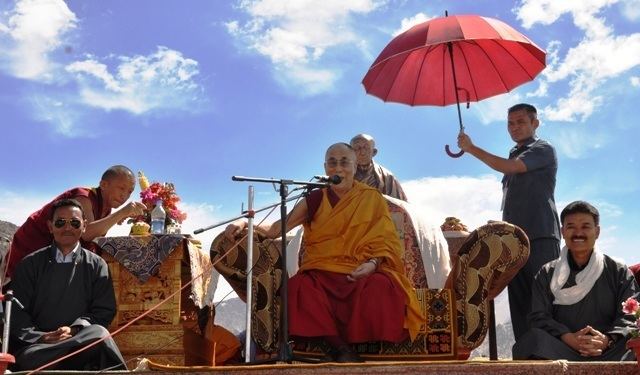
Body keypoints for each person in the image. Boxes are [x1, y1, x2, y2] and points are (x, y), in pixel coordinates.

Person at [225, 143, 424, 362]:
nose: (338, 167)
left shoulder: (371, 198)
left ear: (355, 165)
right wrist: (247, 224)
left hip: (360, 271)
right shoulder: (315, 198)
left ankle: (350, 343)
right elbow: (276, 228)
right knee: (298, 288)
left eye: (344, 162)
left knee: (383, 287)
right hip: (321, 273)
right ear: (325, 167)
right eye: (332, 162)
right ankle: (339, 347)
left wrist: (372, 265)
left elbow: (385, 241)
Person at [457, 103, 561, 340]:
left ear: (535, 123)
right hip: (515, 243)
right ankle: (524, 358)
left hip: (540, 236)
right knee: (520, 301)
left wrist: (471, 148)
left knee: (543, 299)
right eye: (510, 123)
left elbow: (511, 167)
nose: (515, 127)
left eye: (521, 122)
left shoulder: (543, 149)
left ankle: (550, 358)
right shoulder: (515, 153)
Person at [9, 199, 127, 371]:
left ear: (84, 225)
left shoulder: (96, 264)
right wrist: (42, 337)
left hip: (79, 340)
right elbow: (16, 314)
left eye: (74, 222)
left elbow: (103, 310)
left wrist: (74, 329)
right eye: (60, 222)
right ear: (50, 226)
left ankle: (64, 362)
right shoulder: (29, 264)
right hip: (39, 347)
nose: (67, 228)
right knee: (28, 357)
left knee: (99, 335)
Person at [512, 201, 638, 361]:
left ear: (597, 231)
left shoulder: (618, 271)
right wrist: (569, 338)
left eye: (585, 226)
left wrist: (607, 340)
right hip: (563, 350)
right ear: (563, 231)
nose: (578, 233)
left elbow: (631, 317)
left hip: (609, 350)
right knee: (531, 341)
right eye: (571, 227)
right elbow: (539, 316)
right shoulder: (547, 273)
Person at [6, 165, 146, 279]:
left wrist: (114, 218)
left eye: (129, 191)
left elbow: (96, 238)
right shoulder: (83, 197)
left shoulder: (106, 208)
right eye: (121, 188)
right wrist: (121, 213)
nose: (125, 196)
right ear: (103, 184)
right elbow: (86, 233)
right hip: (32, 246)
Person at [350, 134, 407, 201]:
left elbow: (399, 204)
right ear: (350, 152)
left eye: (366, 148)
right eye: (357, 148)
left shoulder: (388, 176)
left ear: (374, 152)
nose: (362, 152)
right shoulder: (343, 174)